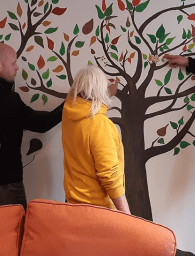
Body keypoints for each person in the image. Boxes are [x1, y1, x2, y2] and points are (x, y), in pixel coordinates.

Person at [0, 43, 64, 210]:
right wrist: (70, 104)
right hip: (6, 184)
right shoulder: (8, 100)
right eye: (13, 63)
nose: (17, 68)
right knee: (14, 231)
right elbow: (40, 124)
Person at [62, 65, 131, 214]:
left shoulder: (69, 116)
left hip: (73, 203)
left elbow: (87, 101)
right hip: (97, 210)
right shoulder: (100, 125)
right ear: (99, 91)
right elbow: (110, 177)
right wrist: (127, 215)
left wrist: (107, 92)